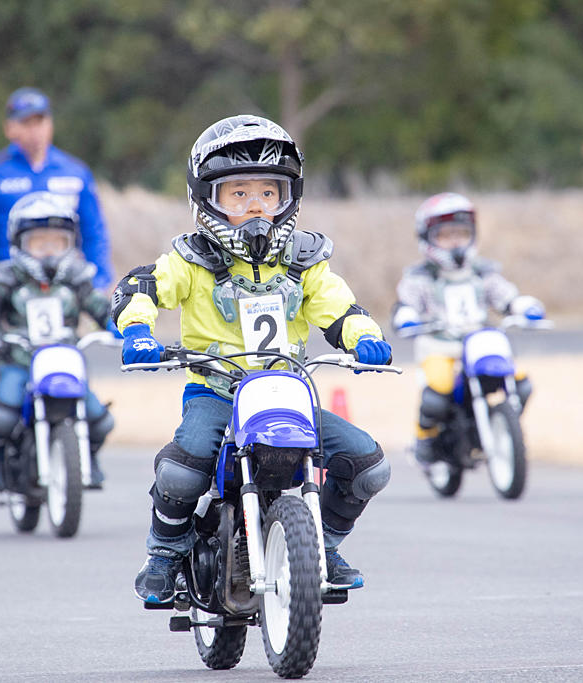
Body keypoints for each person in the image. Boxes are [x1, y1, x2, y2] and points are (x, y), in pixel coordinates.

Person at [110, 114, 393, 604]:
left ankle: (320, 545)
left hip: (288, 392)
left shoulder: (305, 260)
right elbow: (143, 288)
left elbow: (339, 307)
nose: (256, 206)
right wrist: (137, 331)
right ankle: (164, 552)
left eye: (268, 192)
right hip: (217, 391)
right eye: (238, 193)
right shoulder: (191, 258)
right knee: (182, 469)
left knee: (368, 465)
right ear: (207, 199)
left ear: (289, 198)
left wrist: (363, 336)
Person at [0, 192, 117, 490]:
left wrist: (115, 322)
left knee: (101, 419)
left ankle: (88, 457)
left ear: (70, 243)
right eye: (39, 243)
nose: (48, 252)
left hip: (65, 361)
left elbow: (98, 305)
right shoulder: (6, 277)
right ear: (19, 243)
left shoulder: (76, 278)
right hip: (20, 360)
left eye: (57, 242)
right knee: (2, 415)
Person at [391, 192, 544, 465]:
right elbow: (407, 302)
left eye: (461, 234)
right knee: (437, 391)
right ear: (428, 237)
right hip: (440, 346)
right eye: (446, 235)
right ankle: (424, 438)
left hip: (481, 344)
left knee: (520, 382)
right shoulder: (420, 277)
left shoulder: (483, 272)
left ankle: (501, 427)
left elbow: (505, 296)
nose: (455, 242)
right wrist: (407, 316)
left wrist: (522, 306)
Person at [0, 87, 112, 301]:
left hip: (64, 290)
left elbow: (94, 231)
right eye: (26, 123)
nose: (35, 131)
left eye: (40, 122)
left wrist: (99, 283)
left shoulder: (75, 173)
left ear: (51, 124)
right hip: (4, 292)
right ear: (9, 129)